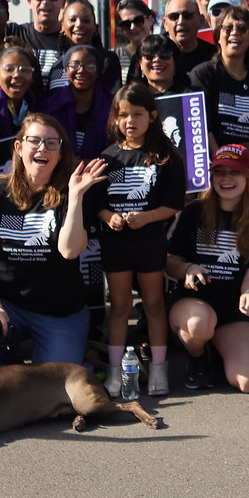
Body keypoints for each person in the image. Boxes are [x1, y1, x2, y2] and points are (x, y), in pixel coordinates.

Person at [0, 114, 105, 368]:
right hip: (9, 305)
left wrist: (76, 197)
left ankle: (69, 358)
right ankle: (6, 360)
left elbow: (69, 250)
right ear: (19, 148)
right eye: (35, 141)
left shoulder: (73, 193)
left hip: (60, 313)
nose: (43, 148)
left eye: (52, 143)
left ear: (60, 154)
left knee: (51, 384)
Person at [89, 85, 185, 398]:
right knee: (118, 306)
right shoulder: (106, 157)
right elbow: (97, 203)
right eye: (123, 115)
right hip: (115, 244)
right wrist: (108, 218)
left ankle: (158, 367)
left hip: (150, 242)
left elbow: (174, 204)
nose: (130, 121)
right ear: (115, 119)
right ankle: (115, 371)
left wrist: (148, 217)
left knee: (154, 304)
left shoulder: (164, 156)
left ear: (152, 116)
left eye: (138, 114)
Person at [165, 144, 249, 393]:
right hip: (192, 304)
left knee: (248, 383)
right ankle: (198, 356)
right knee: (198, 323)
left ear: (248, 176)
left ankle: (216, 347)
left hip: (230, 310)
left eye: (234, 172)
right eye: (219, 172)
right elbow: (169, 263)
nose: (226, 178)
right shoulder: (194, 211)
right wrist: (188, 268)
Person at [189, 6, 249, 149]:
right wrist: (219, 159)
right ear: (217, 36)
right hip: (215, 162)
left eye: (242, 29)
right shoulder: (203, 74)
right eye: (228, 28)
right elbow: (201, 125)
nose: (234, 32)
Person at [44, 45, 112, 160]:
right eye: (74, 65)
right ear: (66, 70)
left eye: (90, 65)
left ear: (98, 71)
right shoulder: (50, 107)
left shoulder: (111, 106)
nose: (81, 70)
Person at [0, 43, 42, 142]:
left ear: (32, 77)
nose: (17, 75)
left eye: (25, 70)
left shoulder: (33, 101)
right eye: (9, 69)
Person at [8, 0, 70, 82]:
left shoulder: (71, 38)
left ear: (63, 3)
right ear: (29, 2)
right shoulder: (15, 32)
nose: (45, 1)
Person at [55, 0, 121, 89]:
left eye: (85, 21)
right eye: (72, 20)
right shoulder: (57, 65)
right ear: (62, 26)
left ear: (94, 27)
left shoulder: (107, 61)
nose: (79, 24)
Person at [161, 0, 214, 79]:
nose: (181, 22)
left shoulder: (214, 55)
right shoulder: (151, 56)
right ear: (165, 23)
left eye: (187, 16)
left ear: (200, 20)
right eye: (174, 17)